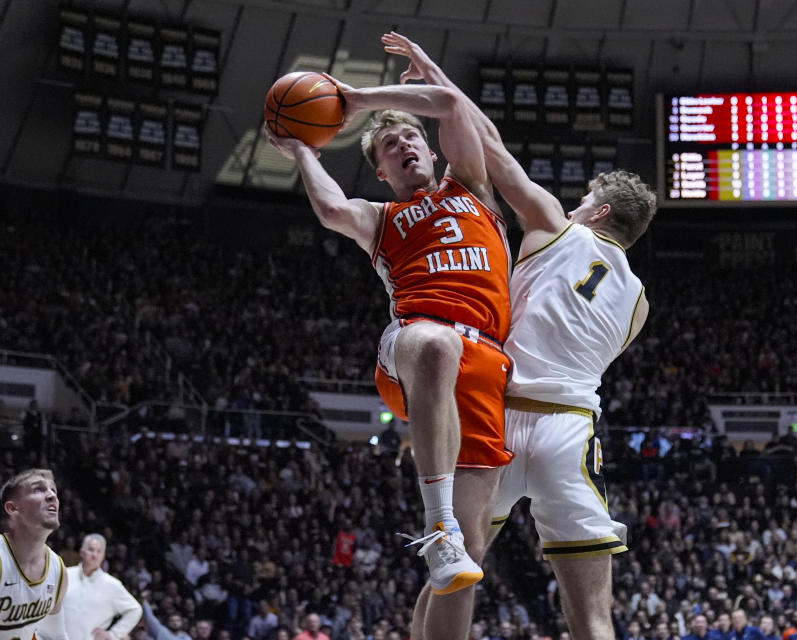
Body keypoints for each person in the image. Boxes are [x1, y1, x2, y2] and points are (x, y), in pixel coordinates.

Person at [382, 32, 655, 640]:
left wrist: (434, 76)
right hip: (571, 428)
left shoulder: (556, 225)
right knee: (591, 616)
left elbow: (488, 143)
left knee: (452, 568)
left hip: (500, 413)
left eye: (587, 199)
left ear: (600, 211)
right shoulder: (639, 304)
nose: (578, 204)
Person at [264, 70, 512, 637]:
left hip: (484, 366)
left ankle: (450, 543)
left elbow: (450, 102)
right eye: (388, 145)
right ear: (380, 171)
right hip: (414, 343)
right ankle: (437, 524)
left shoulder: (471, 187)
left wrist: (359, 100)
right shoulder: (382, 219)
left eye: (409, 138)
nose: (403, 146)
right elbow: (330, 210)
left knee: (468, 562)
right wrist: (304, 150)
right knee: (434, 344)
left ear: (431, 150)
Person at [0, 467, 69, 639]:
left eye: (53, 490)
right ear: (12, 508)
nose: (52, 495)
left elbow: (55, 635)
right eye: (38, 489)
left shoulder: (58, 570)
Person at [63, 532, 143, 640]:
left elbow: (135, 610)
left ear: (103, 556)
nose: (94, 555)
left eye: (99, 551)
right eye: (91, 549)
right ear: (82, 552)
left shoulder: (111, 584)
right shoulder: (65, 575)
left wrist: (113, 634)